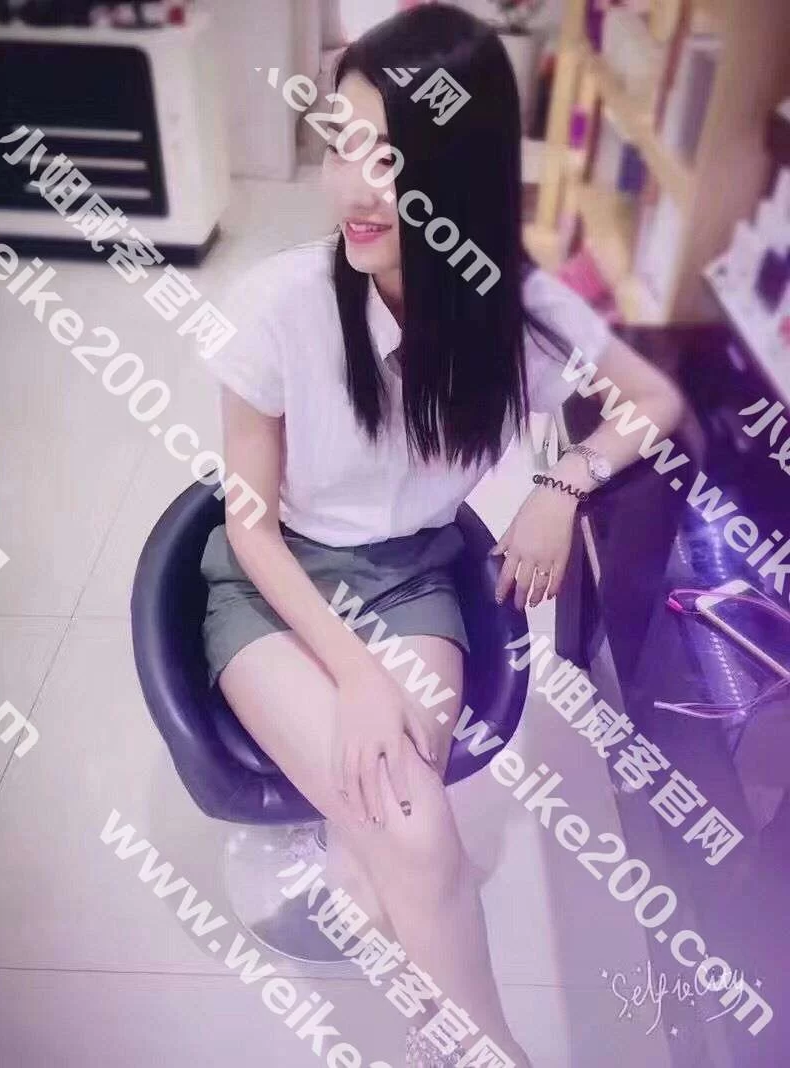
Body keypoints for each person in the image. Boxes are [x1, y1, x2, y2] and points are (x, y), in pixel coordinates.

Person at [198, 4, 685, 1065]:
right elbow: (249, 530)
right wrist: (356, 674)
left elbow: (653, 399)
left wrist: (561, 481)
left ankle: (381, 914)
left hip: (414, 578)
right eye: (342, 149)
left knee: (390, 838)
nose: (357, 188)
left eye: (393, 158)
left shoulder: (519, 309)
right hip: (274, 586)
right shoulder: (277, 306)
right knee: (414, 835)